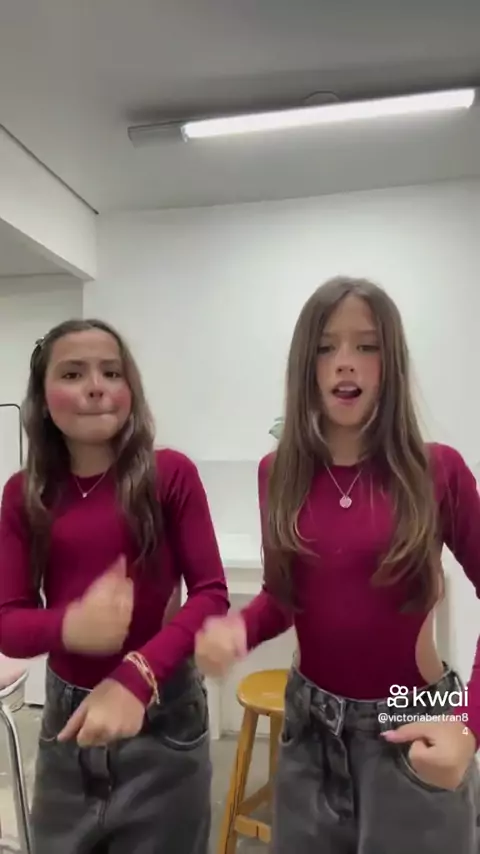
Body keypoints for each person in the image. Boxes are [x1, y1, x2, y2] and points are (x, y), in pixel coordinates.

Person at [195, 276, 480, 854]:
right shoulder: (278, 473)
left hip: (413, 719)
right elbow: (283, 599)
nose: (345, 361)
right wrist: (238, 629)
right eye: (326, 347)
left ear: (390, 363)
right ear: (306, 365)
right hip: (310, 729)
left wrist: (469, 726)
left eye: (366, 345)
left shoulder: (437, 471)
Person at [0, 318, 229, 854]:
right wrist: (69, 627)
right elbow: (8, 623)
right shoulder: (24, 493)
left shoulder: (170, 474)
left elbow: (211, 595)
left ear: (131, 389)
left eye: (111, 372)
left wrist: (138, 674)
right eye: (72, 373)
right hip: (67, 726)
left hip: (165, 720)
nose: (95, 386)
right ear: (42, 399)